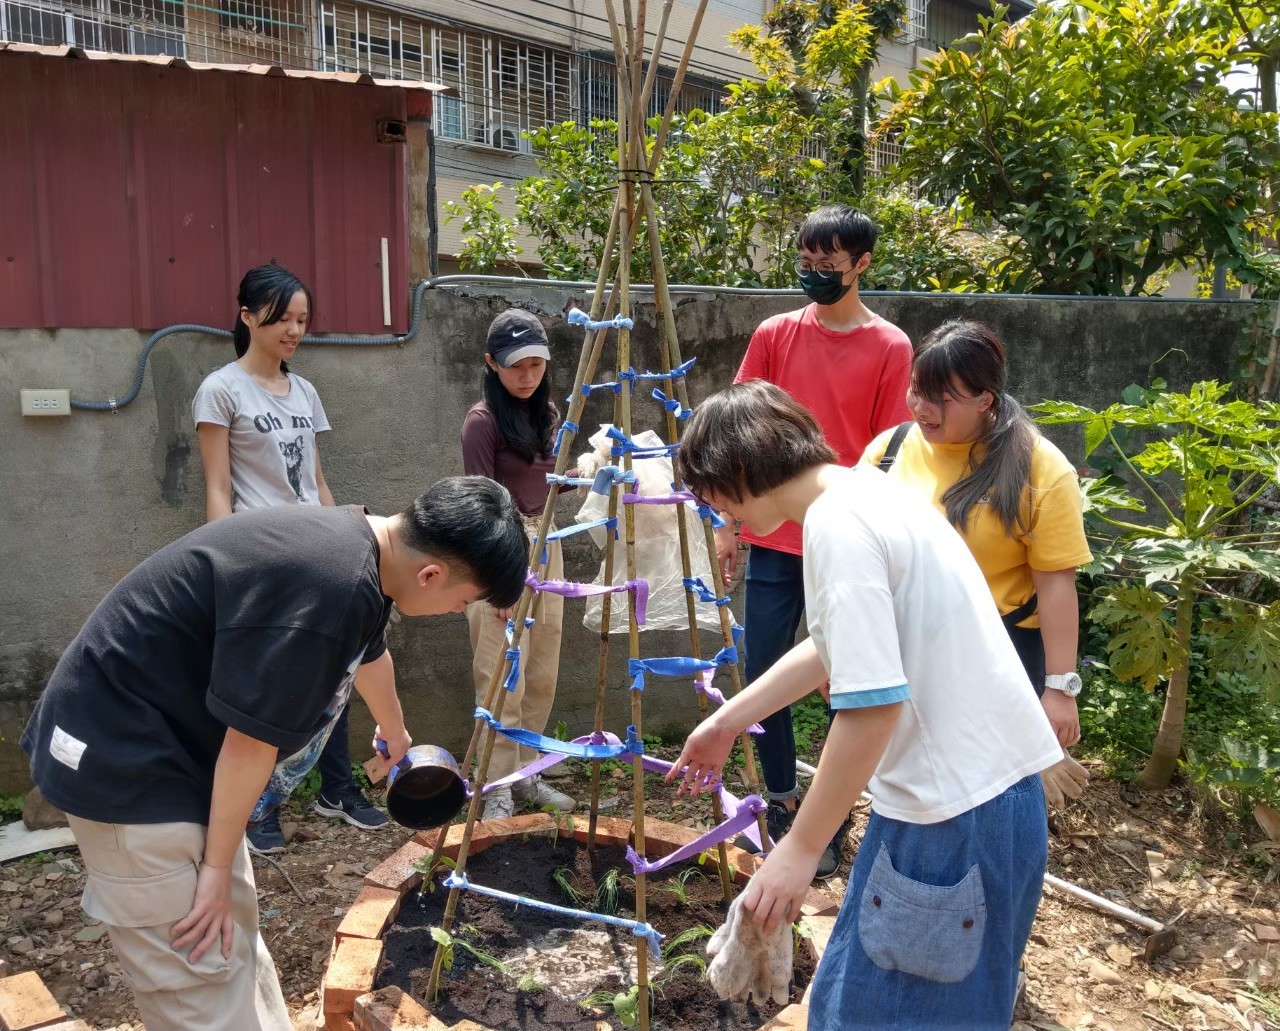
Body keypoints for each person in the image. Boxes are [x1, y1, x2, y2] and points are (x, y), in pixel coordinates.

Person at [21, 477, 528, 1031]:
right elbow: (249, 746)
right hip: (125, 764)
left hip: (174, 749)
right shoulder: (329, 591)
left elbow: (370, 654)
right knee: (196, 973)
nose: (459, 612)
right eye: (464, 601)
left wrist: (396, 731)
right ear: (431, 575)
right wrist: (212, 870)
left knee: (232, 938)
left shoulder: (366, 552)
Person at [667, 381, 1062, 1031]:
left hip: (948, 822)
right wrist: (725, 719)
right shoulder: (869, 494)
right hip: (992, 804)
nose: (716, 514)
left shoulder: (837, 526)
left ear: (737, 470)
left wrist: (797, 849)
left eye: (709, 494)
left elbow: (873, 707)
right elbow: (833, 647)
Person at [717, 204, 913, 876]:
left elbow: (887, 457)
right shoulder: (775, 335)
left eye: (829, 265)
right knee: (765, 672)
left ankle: (826, 821)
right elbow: (734, 436)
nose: (815, 274)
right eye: (806, 261)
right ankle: (777, 801)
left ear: (862, 265)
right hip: (772, 537)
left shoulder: (891, 348)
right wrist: (729, 525)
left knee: (848, 682)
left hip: (848, 543)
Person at [192, 264, 384, 855]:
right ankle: (256, 807)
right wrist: (224, 565)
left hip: (313, 547)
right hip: (259, 554)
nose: (294, 331)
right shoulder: (220, 389)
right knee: (269, 681)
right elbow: (219, 488)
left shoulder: (304, 391)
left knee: (337, 666)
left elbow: (316, 479)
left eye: (302, 320)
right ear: (247, 316)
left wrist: (342, 538)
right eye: (281, 319)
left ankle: (337, 789)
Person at [860, 321, 1092, 749]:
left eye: (940, 399)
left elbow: (1056, 583)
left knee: (997, 789)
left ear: (985, 399)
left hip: (1001, 653)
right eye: (915, 390)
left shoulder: (1041, 469)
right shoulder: (886, 453)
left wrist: (1059, 689)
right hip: (903, 648)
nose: (921, 408)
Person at [461, 308, 575, 821]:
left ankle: (527, 775)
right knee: (500, 672)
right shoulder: (481, 422)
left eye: (536, 363)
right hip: (501, 552)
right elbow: (482, 505)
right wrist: (503, 584)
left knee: (540, 669)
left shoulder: (548, 414)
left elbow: (544, 484)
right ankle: (494, 784)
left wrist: (585, 474)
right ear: (492, 364)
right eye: (516, 366)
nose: (527, 376)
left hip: (548, 545)